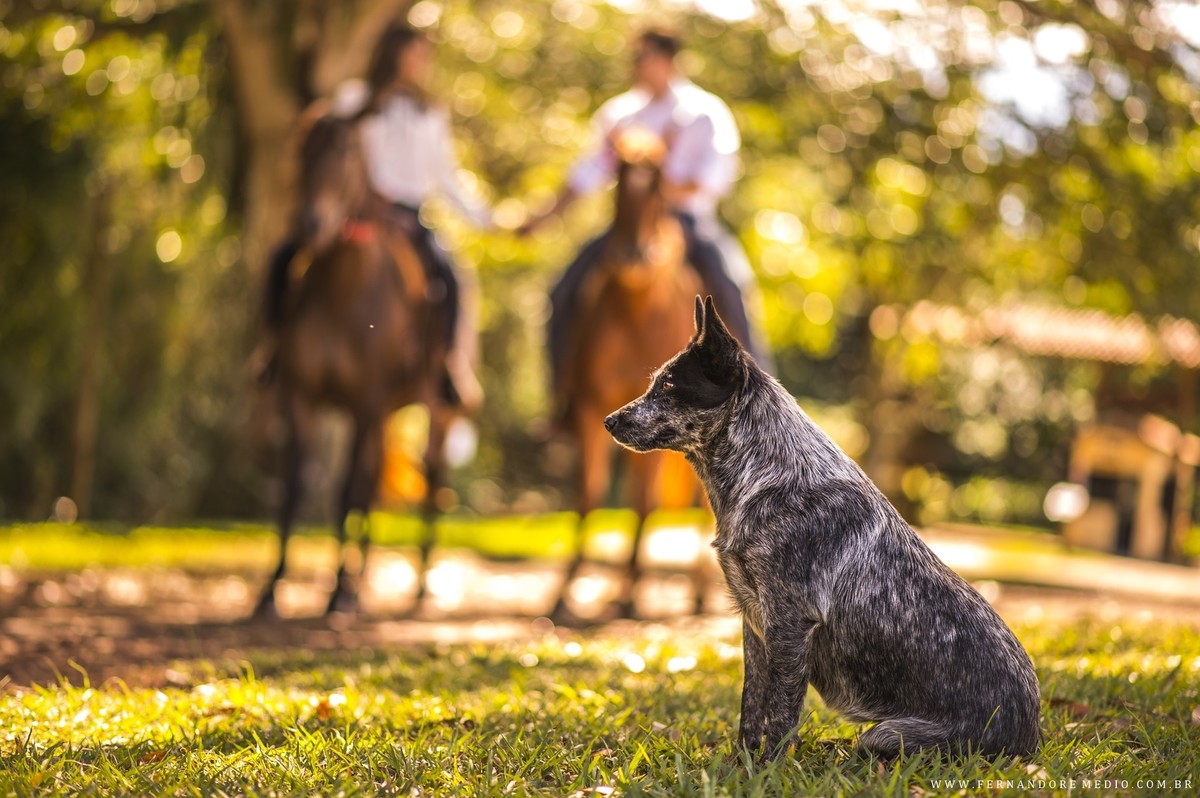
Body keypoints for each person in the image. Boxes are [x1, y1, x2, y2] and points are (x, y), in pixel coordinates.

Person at [521, 27, 768, 412]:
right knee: (563, 291)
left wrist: (656, 186)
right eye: (634, 57)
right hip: (628, 226)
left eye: (644, 57)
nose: (636, 65)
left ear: (668, 59)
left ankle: (758, 404)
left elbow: (715, 179)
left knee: (732, 287)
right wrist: (543, 217)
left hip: (689, 223)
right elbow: (588, 173)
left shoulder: (703, 112)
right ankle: (563, 400)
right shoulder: (620, 114)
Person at [261, 22, 488, 410]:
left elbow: (446, 176)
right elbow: (328, 138)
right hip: (357, 213)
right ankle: (273, 348)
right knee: (284, 256)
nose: (421, 63)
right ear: (394, 53)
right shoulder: (355, 98)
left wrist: (487, 218)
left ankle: (447, 365)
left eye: (424, 56)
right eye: (415, 54)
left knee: (449, 278)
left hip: (410, 217)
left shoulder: (429, 113)